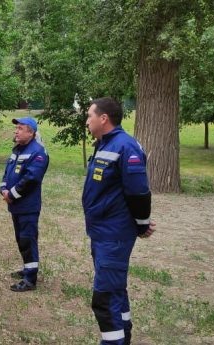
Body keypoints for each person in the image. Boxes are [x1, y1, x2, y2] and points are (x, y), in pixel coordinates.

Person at [82, 97, 156, 345]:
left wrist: (142, 223)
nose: (87, 120)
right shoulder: (104, 144)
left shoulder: (125, 146)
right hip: (102, 233)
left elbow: (138, 192)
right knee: (116, 291)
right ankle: (124, 338)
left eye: (90, 115)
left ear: (104, 118)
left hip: (114, 235)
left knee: (104, 298)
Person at [0, 117, 49, 292]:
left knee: (28, 240)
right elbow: (8, 171)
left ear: (31, 132)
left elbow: (31, 179)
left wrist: (11, 194)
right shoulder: (18, 150)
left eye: (20, 128)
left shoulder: (38, 152)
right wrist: (3, 188)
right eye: (17, 128)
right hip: (15, 205)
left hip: (28, 206)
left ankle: (30, 279)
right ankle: (27, 268)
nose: (16, 131)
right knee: (21, 239)